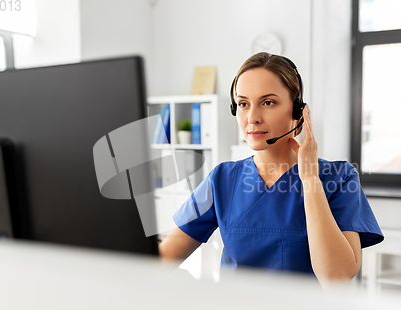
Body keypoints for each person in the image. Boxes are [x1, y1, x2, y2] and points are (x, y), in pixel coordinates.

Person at [159, 52, 383, 288]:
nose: (252, 117)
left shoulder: (339, 178)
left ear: (298, 112)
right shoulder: (222, 180)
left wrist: (309, 178)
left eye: (268, 102)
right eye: (243, 104)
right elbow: (163, 259)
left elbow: (336, 277)